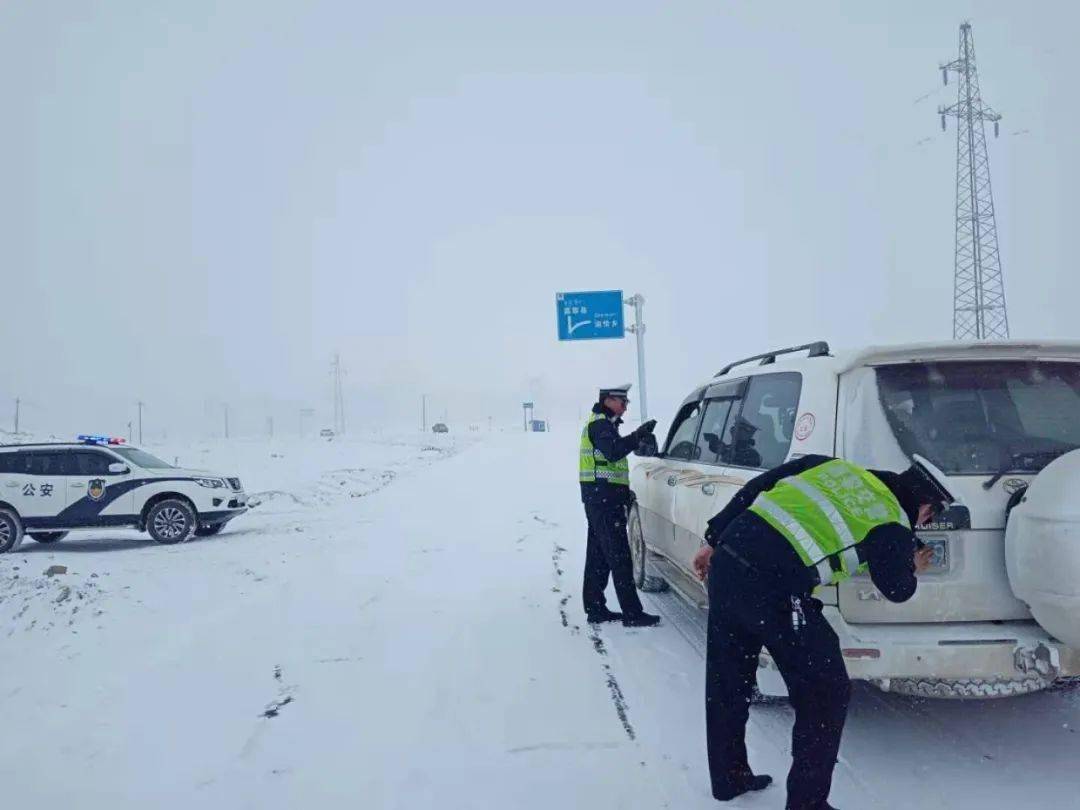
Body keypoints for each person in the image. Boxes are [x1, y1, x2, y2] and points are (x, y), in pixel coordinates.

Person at [690, 454, 951, 810]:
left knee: (727, 679)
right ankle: (808, 803)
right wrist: (912, 562)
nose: (922, 525)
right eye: (928, 517)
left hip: (729, 560)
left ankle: (728, 777)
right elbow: (898, 589)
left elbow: (757, 487)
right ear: (924, 506)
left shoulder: (832, 467)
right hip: (776, 589)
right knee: (826, 691)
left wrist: (712, 538)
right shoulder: (891, 521)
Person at [580, 383, 661, 628]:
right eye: (622, 401)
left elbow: (609, 465)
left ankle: (596, 608)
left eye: (627, 403)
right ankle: (632, 614)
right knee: (620, 557)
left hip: (601, 499)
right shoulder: (600, 425)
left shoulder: (604, 424)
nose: (625, 407)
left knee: (599, 557)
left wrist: (622, 492)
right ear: (608, 400)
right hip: (603, 501)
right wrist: (637, 436)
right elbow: (614, 452)